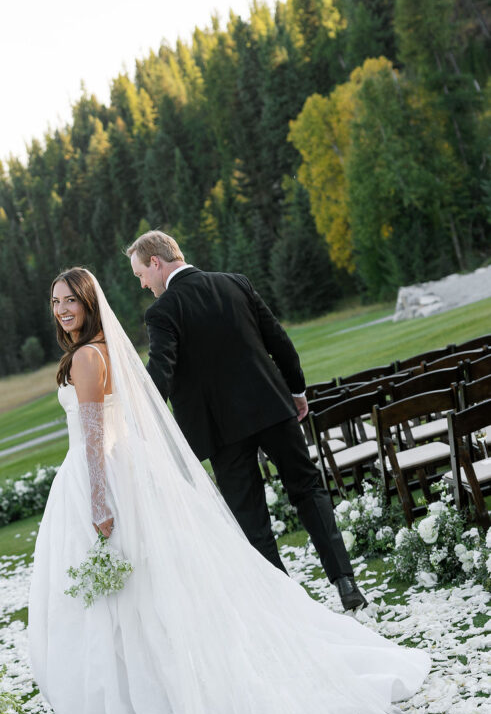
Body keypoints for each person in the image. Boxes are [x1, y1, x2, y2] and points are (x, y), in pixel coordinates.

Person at [28, 266, 491, 714]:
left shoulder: (94, 357)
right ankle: (142, 673)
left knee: (148, 579)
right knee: (148, 585)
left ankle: (142, 684)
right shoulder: (111, 343)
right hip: (204, 432)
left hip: (99, 483)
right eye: (54, 302)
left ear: (93, 303)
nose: (61, 309)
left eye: (71, 299)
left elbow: (99, 435)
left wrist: (99, 501)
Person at [126, 229, 366, 612]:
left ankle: (288, 607)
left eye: (141, 274)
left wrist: (141, 415)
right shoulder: (235, 284)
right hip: (272, 407)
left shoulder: (163, 311)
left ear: (156, 262)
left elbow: (161, 371)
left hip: (221, 430)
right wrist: (296, 389)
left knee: (252, 519)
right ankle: (346, 582)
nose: (142, 284)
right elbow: (278, 339)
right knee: (309, 490)